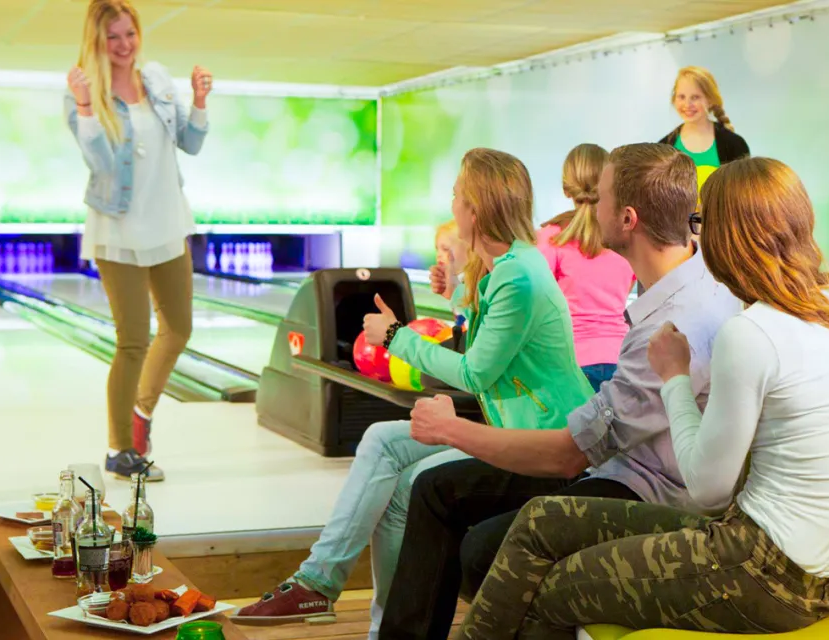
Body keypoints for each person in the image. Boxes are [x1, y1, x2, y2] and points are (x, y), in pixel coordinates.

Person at [458, 157, 829, 639]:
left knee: (547, 587)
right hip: (781, 565)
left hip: (760, 573)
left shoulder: (752, 334)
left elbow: (708, 489)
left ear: (725, 235)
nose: (696, 238)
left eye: (700, 222)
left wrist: (675, 377)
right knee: (539, 519)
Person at [377, 143, 742, 640]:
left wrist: (451, 429)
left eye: (599, 196)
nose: (585, 206)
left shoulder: (672, 325)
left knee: (483, 552)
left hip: (645, 491)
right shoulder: (685, 287)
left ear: (627, 219)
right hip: (617, 465)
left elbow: (568, 456)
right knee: (436, 489)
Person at [232, 148, 595, 637]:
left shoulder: (519, 275)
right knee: (382, 439)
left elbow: (475, 373)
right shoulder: (505, 267)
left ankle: (388, 628)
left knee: (410, 486)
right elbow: (493, 342)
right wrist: (458, 293)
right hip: (512, 426)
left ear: (475, 208)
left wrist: (394, 336)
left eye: (457, 194)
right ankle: (316, 583)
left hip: (544, 441)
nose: (452, 204)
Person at [64, 0, 212, 482]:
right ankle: (120, 449)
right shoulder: (83, 93)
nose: (124, 44)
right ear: (96, 40)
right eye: (113, 36)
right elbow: (102, 165)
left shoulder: (157, 78)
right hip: (118, 229)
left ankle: (140, 412)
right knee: (132, 342)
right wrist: (86, 107)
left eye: (130, 33)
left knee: (179, 328)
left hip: (168, 222)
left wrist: (199, 101)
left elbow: (190, 143)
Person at [537, 144, 636, 392]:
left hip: (568, 362)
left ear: (566, 188)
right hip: (621, 361)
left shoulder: (550, 238)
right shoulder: (626, 235)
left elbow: (534, 299)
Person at [659, 66, 749, 199]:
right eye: (681, 97)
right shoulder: (663, 148)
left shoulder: (735, 145)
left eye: (695, 97)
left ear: (710, 100)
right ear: (674, 99)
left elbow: (744, 198)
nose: (687, 104)